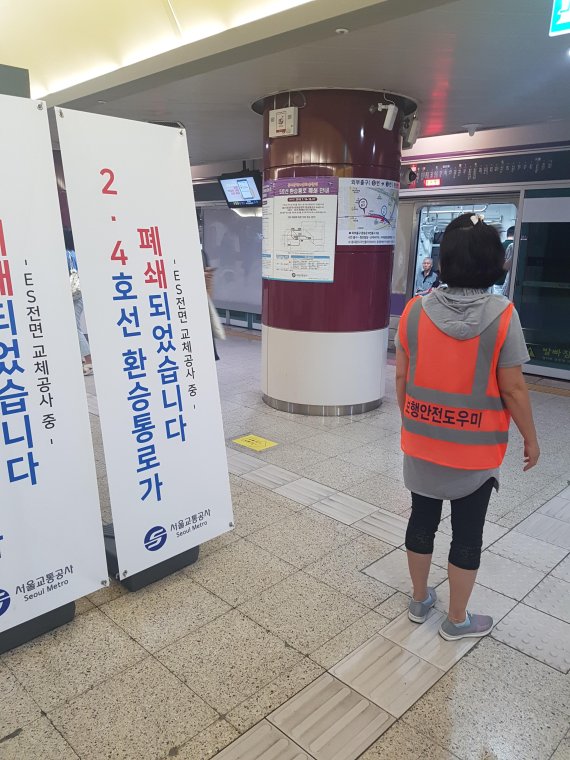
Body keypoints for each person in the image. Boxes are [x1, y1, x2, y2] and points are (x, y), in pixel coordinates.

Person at [395, 213, 539, 641]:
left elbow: (401, 377)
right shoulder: (504, 315)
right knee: (468, 534)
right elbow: (513, 389)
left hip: (421, 444)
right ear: (495, 261)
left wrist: (413, 420)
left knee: (421, 520)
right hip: (476, 453)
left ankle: (420, 600)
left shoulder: (414, 311)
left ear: (445, 259)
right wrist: (531, 438)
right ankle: (457, 619)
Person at [64, 229, 93, 376]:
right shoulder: (75, 253)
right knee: (74, 327)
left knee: (74, 328)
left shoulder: (65, 255)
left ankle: (88, 361)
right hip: (80, 294)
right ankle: (83, 358)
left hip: (72, 295)